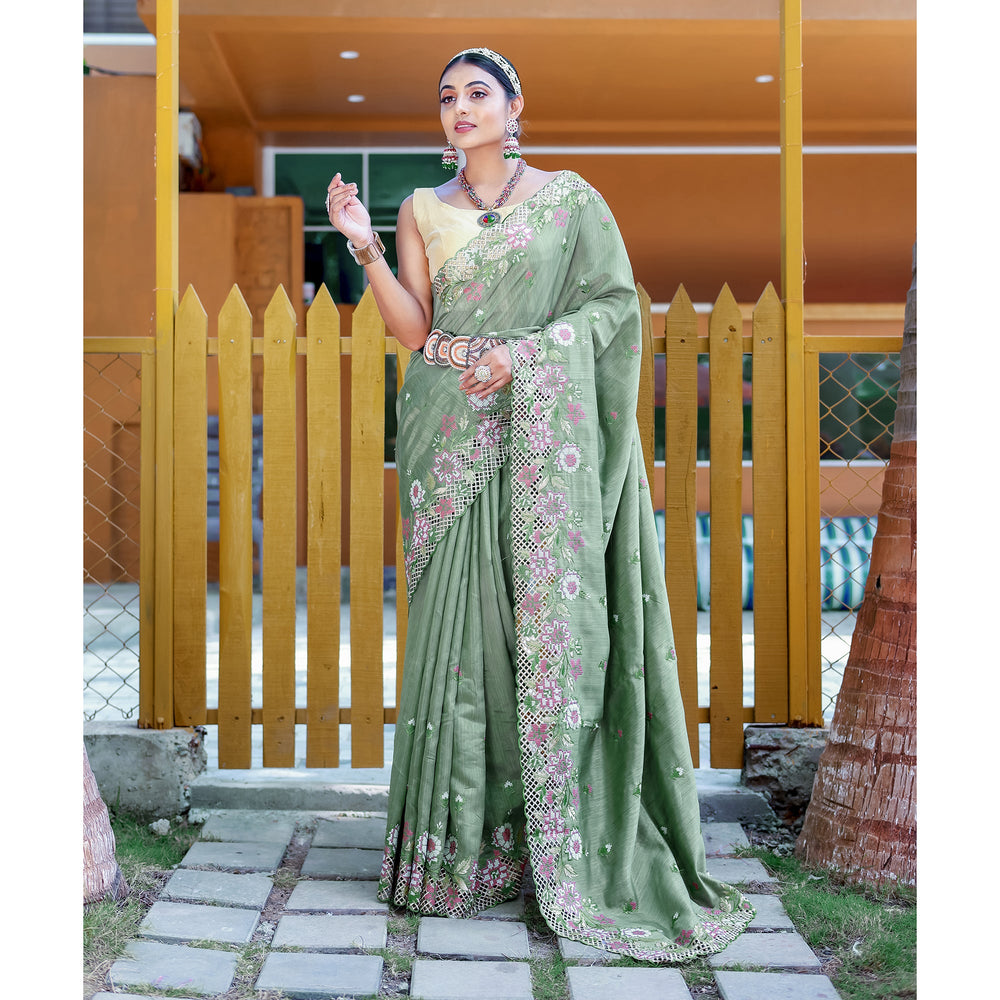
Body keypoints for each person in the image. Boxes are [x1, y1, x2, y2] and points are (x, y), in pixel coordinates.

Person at [325, 46, 755, 962]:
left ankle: (551, 841)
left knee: (544, 634)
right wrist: (364, 244)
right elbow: (417, 332)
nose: (460, 108)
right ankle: (461, 851)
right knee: (464, 643)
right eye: (446, 96)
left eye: (477, 92)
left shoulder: (570, 201)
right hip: (449, 426)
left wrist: (523, 356)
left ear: (515, 106)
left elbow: (613, 311)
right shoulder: (420, 208)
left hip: (541, 431)